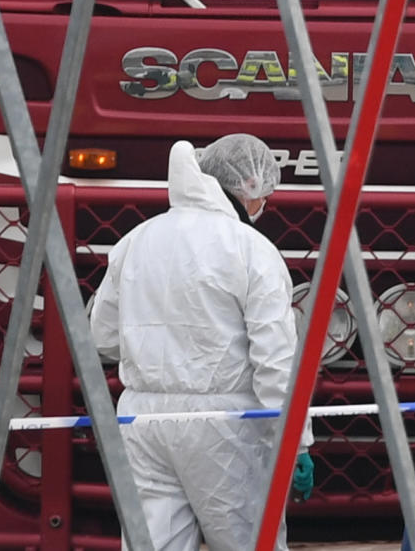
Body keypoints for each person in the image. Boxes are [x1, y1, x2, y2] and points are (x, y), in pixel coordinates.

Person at [89, 133, 314, 551]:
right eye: (264, 193)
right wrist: (296, 441)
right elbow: (276, 361)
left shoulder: (136, 241)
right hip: (226, 426)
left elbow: (102, 336)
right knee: (250, 542)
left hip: (142, 421)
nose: (264, 203)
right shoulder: (251, 250)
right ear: (248, 187)